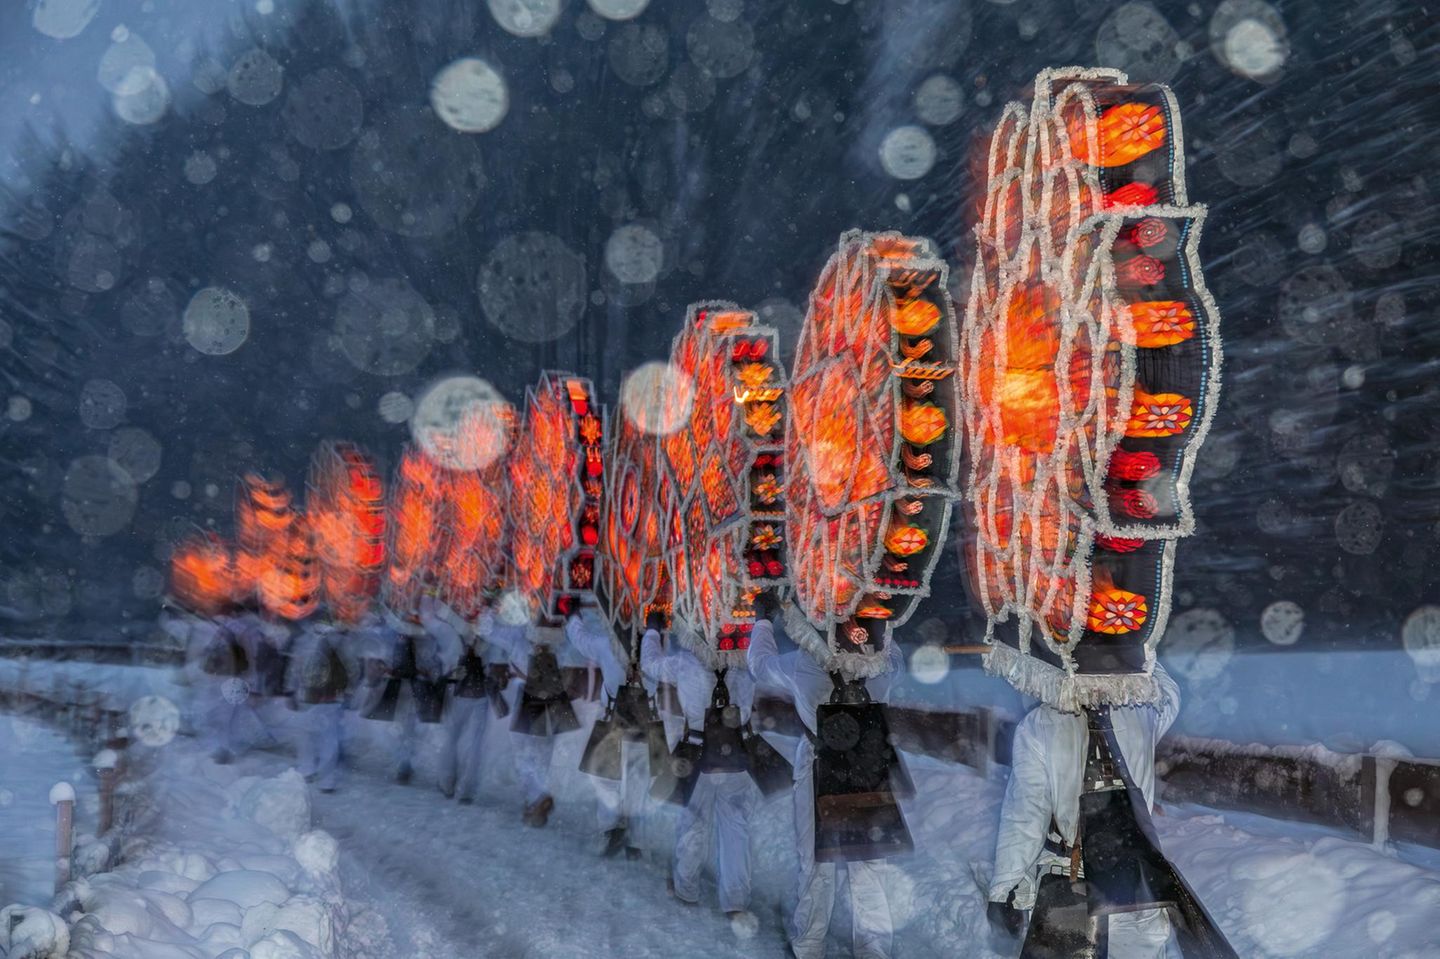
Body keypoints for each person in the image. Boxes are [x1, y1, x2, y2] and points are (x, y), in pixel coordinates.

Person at [746, 596, 905, 959]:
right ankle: (873, 951)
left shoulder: (805, 665)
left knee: (818, 862)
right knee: (867, 865)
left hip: (819, 767)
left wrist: (763, 622)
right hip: (869, 769)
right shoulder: (886, 667)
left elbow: (759, 665)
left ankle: (809, 946)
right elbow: (894, 652)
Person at [987, 664, 1182, 958]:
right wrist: (1135, 649)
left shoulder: (1039, 725)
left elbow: (1025, 817)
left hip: (1071, 884)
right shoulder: (1142, 712)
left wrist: (1003, 890)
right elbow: (1169, 693)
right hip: (1135, 884)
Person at [641, 611, 758, 919]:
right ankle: (736, 902)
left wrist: (653, 630)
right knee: (737, 830)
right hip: (736, 755)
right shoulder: (746, 665)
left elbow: (649, 665)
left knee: (694, 823)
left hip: (697, 753)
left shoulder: (686, 664)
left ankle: (686, 889)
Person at [481, 597, 581, 826]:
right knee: (542, 756)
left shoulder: (519, 636)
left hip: (530, 696)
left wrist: (490, 601)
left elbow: (486, 629)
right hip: (554, 699)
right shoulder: (565, 639)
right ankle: (536, 800)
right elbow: (576, 666)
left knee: (523, 754)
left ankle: (537, 798)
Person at [566, 603, 655, 858]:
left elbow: (580, 638)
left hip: (612, 721)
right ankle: (636, 842)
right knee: (638, 785)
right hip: (643, 722)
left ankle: (610, 829)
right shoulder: (655, 651)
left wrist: (572, 615)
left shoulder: (606, 644)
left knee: (606, 781)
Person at [431, 600, 489, 804]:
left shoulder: (461, 631)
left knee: (454, 740)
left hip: (464, 693)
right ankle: (463, 789)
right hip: (474, 694)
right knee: (470, 744)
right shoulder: (482, 631)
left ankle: (450, 784)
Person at [287, 616, 353, 793]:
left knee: (305, 736)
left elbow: (295, 667)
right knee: (329, 740)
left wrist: (291, 690)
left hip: (308, 696)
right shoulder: (340, 641)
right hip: (331, 697)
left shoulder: (306, 640)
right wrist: (348, 691)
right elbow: (350, 667)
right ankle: (327, 780)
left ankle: (307, 769)